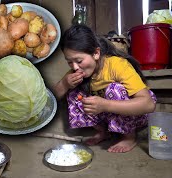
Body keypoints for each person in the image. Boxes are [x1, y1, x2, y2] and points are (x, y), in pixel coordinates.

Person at [53, 24, 157, 153]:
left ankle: (129, 137)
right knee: (74, 91)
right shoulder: (77, 71)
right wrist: (64, 84)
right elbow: (52, 98)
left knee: (114, 89)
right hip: (108, 114)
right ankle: (103, 132)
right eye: (70, 62)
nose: (74, 67)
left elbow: (148, 105)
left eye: (79, 61)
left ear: (96, 53)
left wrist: (105, 105)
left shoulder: (117, 65)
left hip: (139, 113)